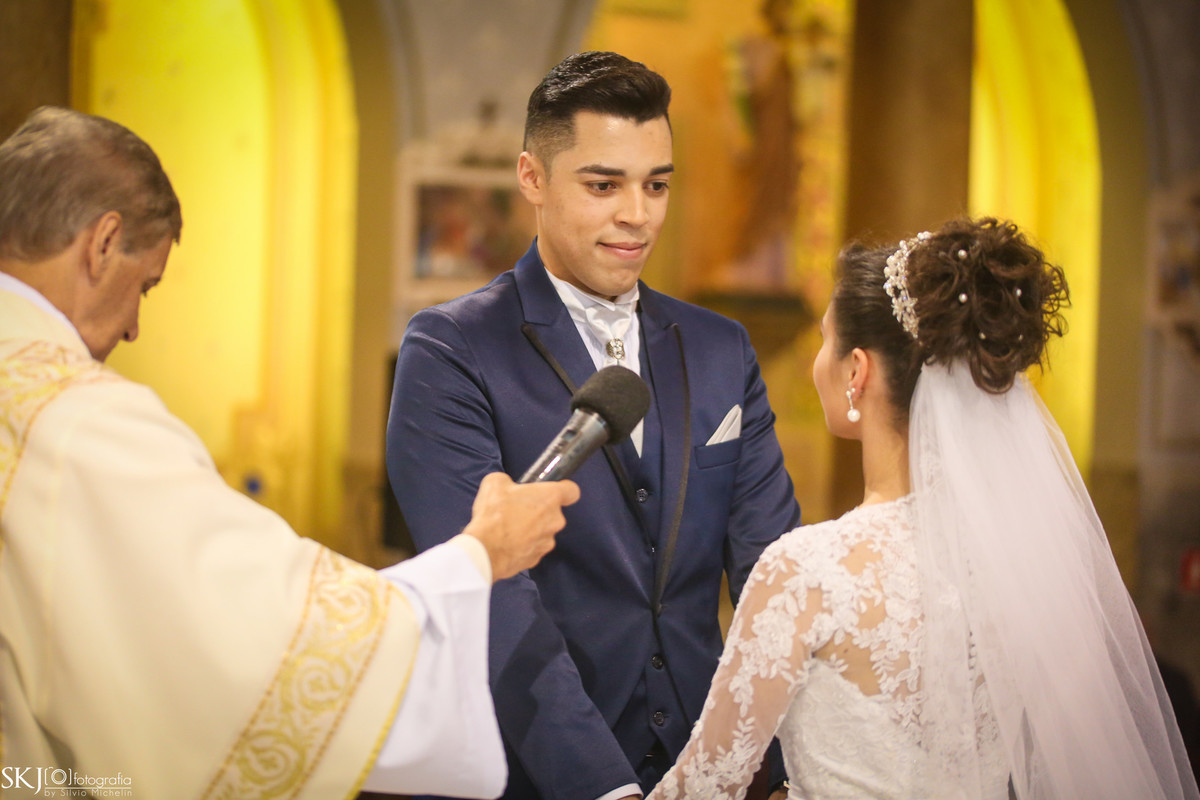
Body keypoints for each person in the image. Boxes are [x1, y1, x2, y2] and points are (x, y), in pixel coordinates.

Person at [0, 106, 580, 799]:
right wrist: (483, 553)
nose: (131, 328)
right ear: (102, 244)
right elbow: (265, 644)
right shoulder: (72, 420)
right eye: (145, 287)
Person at [643, 217, 1200, 799]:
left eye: (826, 341)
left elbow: (705, 786)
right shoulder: (1023, 568)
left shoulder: (806, 571)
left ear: (856, 371)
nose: (819, 363)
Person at [387, 51, 801, 800]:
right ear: (532, 179)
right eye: (604, 184)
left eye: (657, 185)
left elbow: (771, 579)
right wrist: (605, 789)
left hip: (713, 773)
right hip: (538, 778)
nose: (637, 214)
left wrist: (771, 765)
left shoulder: (720, 349)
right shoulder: (452, 350)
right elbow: (489, 594)